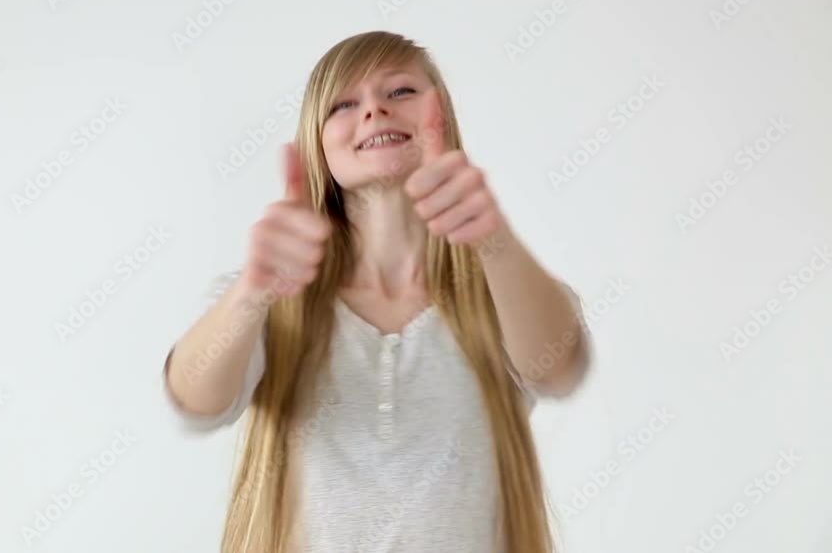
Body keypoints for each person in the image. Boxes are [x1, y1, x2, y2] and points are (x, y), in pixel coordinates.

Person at [163, 30, 593, 553]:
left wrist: (492, 239)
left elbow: (558, 367)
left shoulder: (504, 291)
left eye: (400, 92)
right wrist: (254, 291)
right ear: (318, 144)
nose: (374, 111)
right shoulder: (270, 301)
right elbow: (194, 400)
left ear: (444, 120)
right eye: (344, 103)